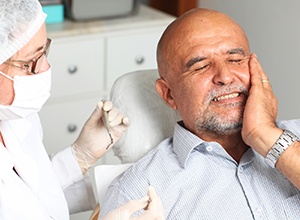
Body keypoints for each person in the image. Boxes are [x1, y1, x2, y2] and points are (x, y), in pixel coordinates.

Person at [99, 8, 300, 219]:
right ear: (169, 94)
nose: (225, 77)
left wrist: (266, 135)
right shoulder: (137, 191)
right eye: (201, 67)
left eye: (235, 59)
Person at [0, 0, 164, 219]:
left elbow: (35, 195)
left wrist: (80, 156)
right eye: (31, 61)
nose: (45, 68)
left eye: (44, 52)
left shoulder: (15, 116)